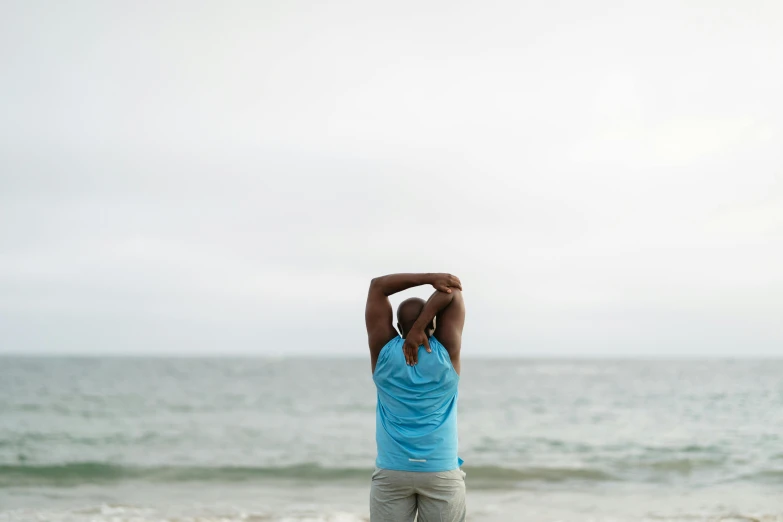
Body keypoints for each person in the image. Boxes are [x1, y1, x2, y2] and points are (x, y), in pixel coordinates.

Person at [364, 272, 467, 522]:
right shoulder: (447, 355)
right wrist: (421, 326)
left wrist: (429, 278)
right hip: (440, 471)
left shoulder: (383, 354)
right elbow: (453, 291)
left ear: (398, 327)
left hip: (392, 471)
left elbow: (377, 287)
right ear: (434, 323)